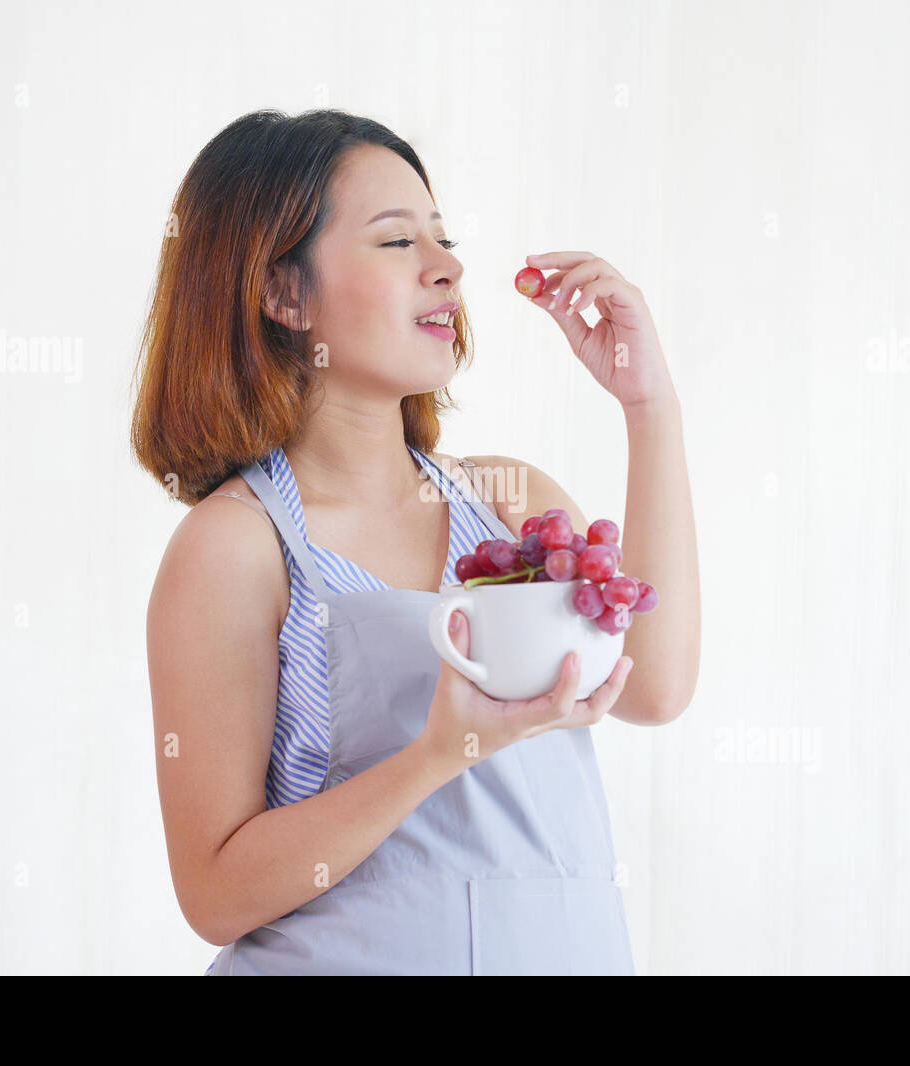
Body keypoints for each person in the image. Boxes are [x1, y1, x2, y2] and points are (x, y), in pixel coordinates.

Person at [130, 109, 699, 975]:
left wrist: (648, 407)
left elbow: (652, 687)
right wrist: (441, 754)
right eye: (398, 243)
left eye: (445, 238)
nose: (450, 268)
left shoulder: (510, 509)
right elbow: (214, 892)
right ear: (284, 294)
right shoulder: (236, 549)